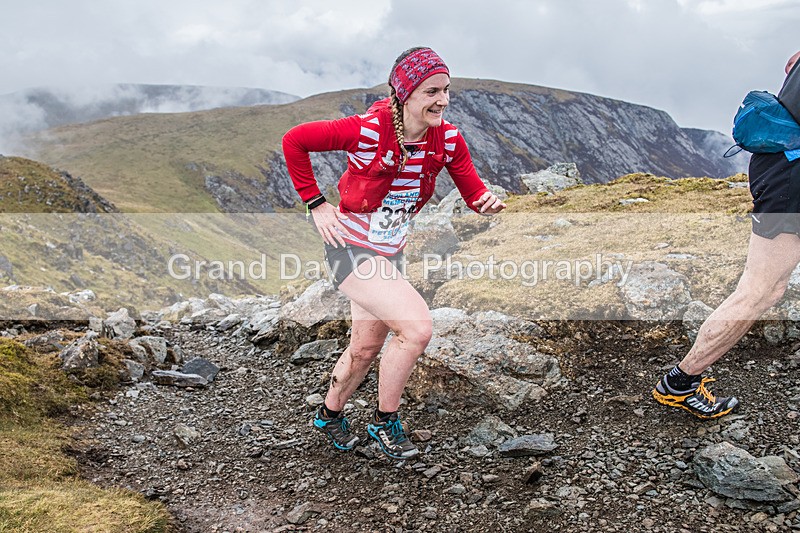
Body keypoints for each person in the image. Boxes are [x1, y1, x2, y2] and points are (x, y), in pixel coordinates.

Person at [282, 47, 506, 458]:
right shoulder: (368, 130)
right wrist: (316, 203)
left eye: (446, 90)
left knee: (366, 349)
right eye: (431, 91)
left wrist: (485, 202)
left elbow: (472, 191)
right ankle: (386, 422)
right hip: (350, 249)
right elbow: (295, 141)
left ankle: (329, 416)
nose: (442, 100)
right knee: (417, 329)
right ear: (404, 94)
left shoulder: (449, 139)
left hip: (390, 253)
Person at [653, 50, 800, 419]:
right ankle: (681, 382)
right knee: (761, 290)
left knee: (764, 289)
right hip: (792, 177)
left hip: (780, 165)